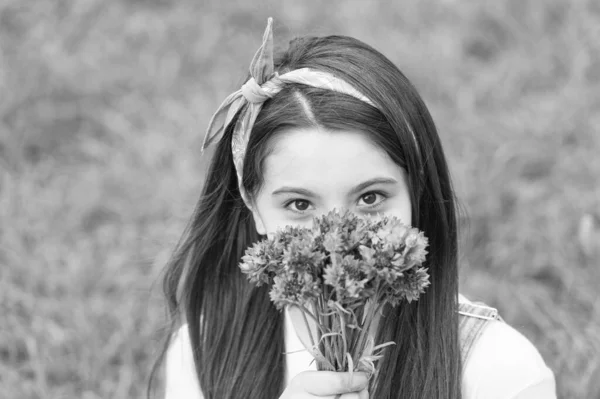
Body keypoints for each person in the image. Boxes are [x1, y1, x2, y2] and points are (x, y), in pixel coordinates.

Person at [152, 18, 556, 399]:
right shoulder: (203, 351)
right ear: (252, 206)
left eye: (370, 199)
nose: (336, 240)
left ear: (416, 193)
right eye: (299, 204)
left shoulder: (500, 371)